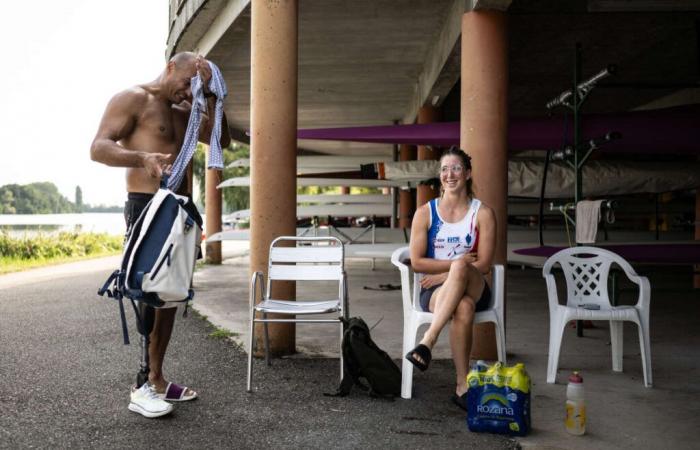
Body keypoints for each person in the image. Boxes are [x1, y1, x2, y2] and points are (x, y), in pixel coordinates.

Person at [90, 51, 231, 418]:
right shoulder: (134, 98)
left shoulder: (190, 109)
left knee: (169, 297)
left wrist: (212, 97)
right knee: (147, 292)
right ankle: (140, 385)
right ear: (170, 67)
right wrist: (142, 159)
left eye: (195, 87)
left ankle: (156, 378)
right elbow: (98, 148)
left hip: (180, 210)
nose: (188, 92)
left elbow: (222, 139)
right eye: (186, 83)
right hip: (147, 206)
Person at [404, 146, 496, 411]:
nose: (449, 174)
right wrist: (454, 265)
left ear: (467, 173)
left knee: (463, 272)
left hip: (475, 283)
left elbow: (485, 263)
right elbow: (418, 262)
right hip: (434, 291)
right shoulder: (426, 212)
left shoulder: (483, 213)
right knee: (463, 307)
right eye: (444, 169)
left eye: (456, 168)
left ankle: (428, 340)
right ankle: (461, 385)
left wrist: (450, 271)